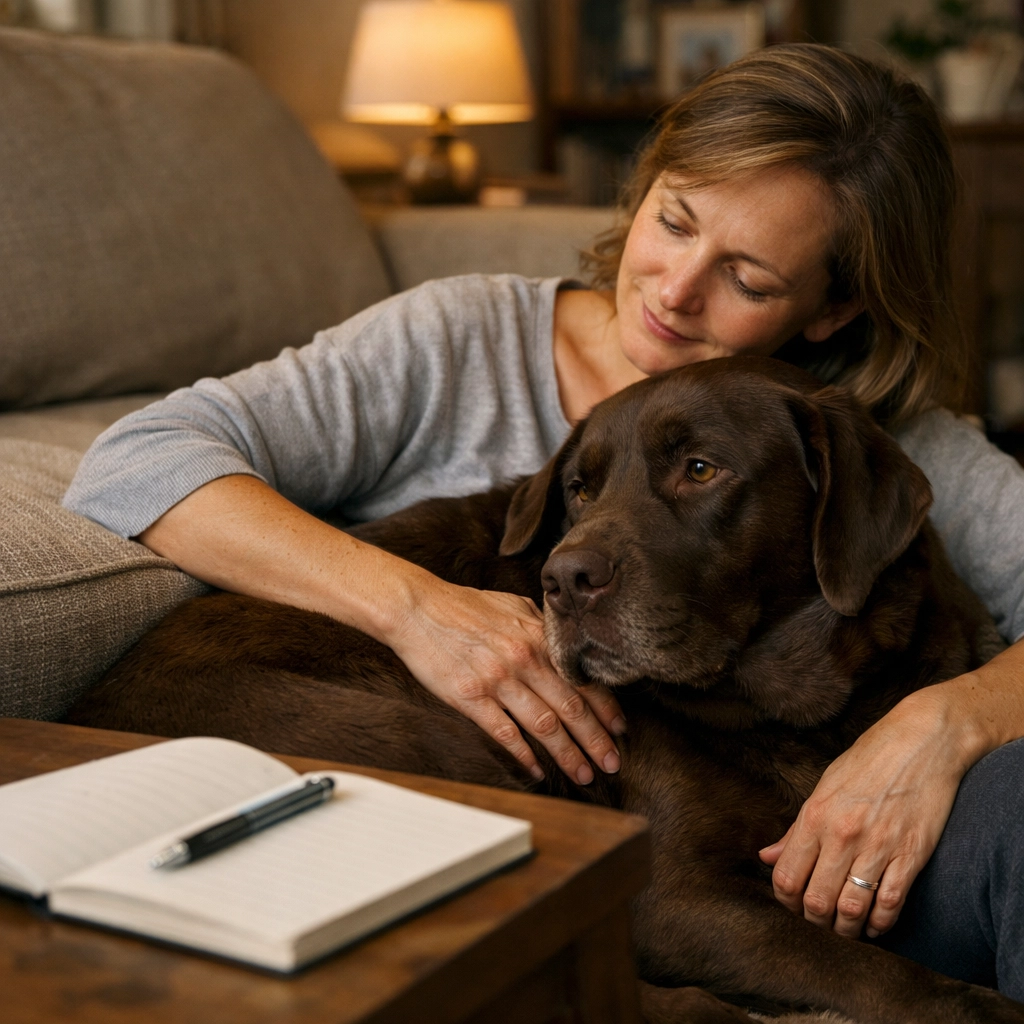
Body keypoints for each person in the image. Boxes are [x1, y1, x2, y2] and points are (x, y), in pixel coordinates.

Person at [65, 45, 1024, 996]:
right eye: (674, 221)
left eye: (750, 279)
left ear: (831, 307)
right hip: (272, 739)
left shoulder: (871, 445)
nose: (674, 288)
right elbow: (139, 457)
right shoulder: (456, 343)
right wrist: (417, 611)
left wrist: (941, 724)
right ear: (641, 193)